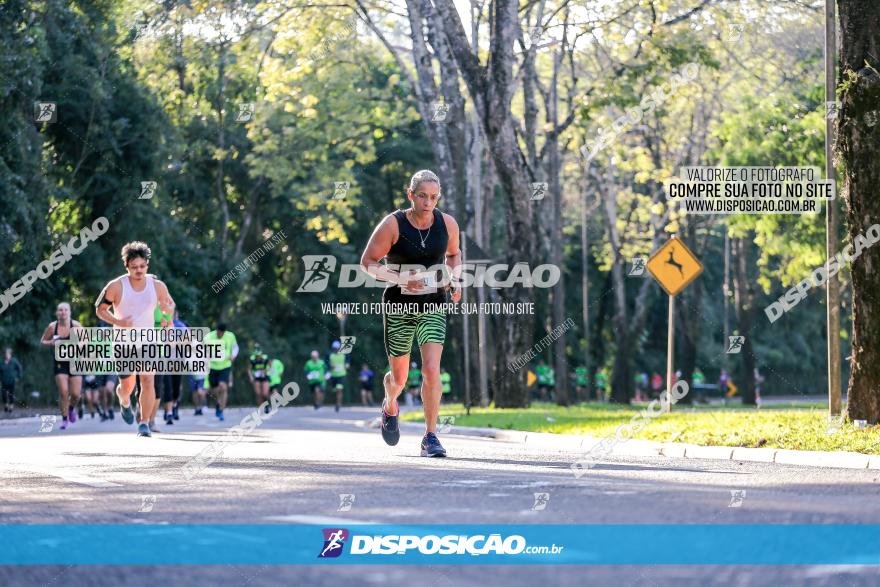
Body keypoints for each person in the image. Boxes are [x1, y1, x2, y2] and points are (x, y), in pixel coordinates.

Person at [360, 169, 462, 457]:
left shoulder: (447, 224)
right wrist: (403, 279)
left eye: (433, 197)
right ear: (411, 195)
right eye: (422, 196)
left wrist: (456, 279)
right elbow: (367, 262)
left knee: (431, 370)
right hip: (399, 305)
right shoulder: (393, 225)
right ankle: (390, 404)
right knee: (400, 379)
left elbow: (454, 254)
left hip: (433, 303)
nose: (428, 202)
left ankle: (430, 436)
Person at [94, 241, 176, 437]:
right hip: (123, 343)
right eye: (134, 267)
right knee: (127, 387)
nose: (138, 270)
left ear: (147, 264)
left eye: (142, 266)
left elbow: (168, 308)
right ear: (127, 266)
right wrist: (118, 322)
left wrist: (167, 321)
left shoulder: (157, 286)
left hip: (148, 341)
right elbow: (100, 310)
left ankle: (144, 423)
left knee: (148, 380)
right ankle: (124, 401)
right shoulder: (115, 286)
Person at [40, 302, 84, 431]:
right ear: (57, 313)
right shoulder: (52, 327)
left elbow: (85, 340)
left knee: (76, 394)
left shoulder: (76, 326)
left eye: (65, 310)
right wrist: (52, 343)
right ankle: (64, 419)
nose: (63, 312)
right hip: (60, 362)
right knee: (64, 392)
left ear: (69, 312)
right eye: (60, 310)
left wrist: (78, 345)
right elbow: (42, 342)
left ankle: (70, 409)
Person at [204, 323, 238, 422]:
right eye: (219, 333)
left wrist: (233, 356)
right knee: (214, 390)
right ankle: (218, 404)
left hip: (225, 366)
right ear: (217, 331)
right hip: (213, 366)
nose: (220, 335)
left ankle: (221, 410)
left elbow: (235, 348)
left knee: (223, 387)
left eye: (222, 333)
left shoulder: (230, 336)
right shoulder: (209, 337)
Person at [326, 340, 349, 412]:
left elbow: (348, 361)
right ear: (332, 348)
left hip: (341, 375)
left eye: (337, 348)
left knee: (339, 389)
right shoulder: (330, 355)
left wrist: (347, 364)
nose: (336, 349)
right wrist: (330, 365)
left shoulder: (344, 355)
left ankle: (338, 404)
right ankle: (336, 401)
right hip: (333, 376)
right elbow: (325, 363)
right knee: (334, 390)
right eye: (334, 348)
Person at [248, 343, 270, 413]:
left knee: (265, 393)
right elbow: (249, 369)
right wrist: (251, 377)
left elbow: (271, 367)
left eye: (259, 356)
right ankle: (260, 408)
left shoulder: (265, 358)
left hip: (265, 377)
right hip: (257, 377)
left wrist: (266, 371)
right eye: (256, 356)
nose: (258, 357)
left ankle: (267, 405)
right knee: (258, 393)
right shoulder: (252, 359)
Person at [0, 348, 23, 414]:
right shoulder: (1, 362)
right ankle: (6, 405)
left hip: (12, 381)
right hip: (4, 381)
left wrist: (18, 377)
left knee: (11, 394)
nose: (6, 355)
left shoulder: (14, 361)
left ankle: (11, 406)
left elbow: (19, 368)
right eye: (5, 354)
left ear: (10, 354)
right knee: (4, 394)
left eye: (8, 354)